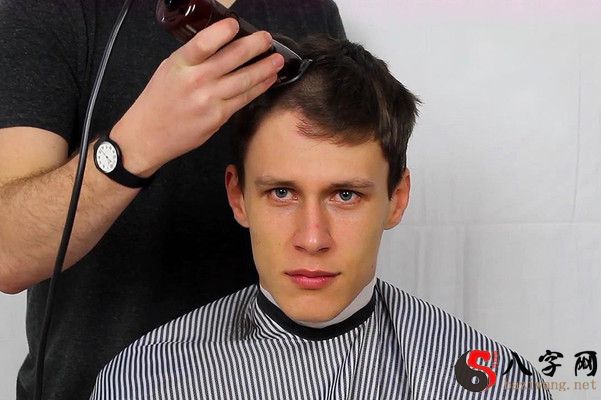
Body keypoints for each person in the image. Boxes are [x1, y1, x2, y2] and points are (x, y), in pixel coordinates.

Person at [89, 36, 552, 400]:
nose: (312, 239)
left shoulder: (494, 385)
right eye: (282, 193)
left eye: (345, 195)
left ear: (396, 198)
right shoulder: (142, 381)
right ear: (239, 197)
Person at [0, 1, 345, 399]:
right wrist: (136, 147)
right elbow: (9, 254)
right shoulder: (48, 8)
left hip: (269, 383)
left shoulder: (310, 10)